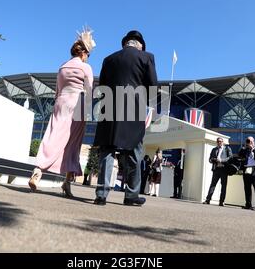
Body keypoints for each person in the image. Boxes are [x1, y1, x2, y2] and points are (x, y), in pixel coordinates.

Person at [93, 30, 158, 206]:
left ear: (125, 43)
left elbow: (102, 86)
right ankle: (131, 195)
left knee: (107, 149)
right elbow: (152, 86)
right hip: (133, 107)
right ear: (140, 44)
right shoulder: (146, 57)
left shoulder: (109, 59)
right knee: (134, 150)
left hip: (109, 107)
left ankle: (101, 194)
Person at [28, 27, 95, 198]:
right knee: (73, 143)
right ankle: (66, 181)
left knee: (53, 134)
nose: (88, 57)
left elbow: (57, 90)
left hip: (61, 101)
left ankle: (38, 171)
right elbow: (89, 90)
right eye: (88, 54)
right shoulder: (85, 67)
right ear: (83, 53)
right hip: (77, 103)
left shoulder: (62, 67)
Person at [203, 138, 233, 206]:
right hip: (216, 169)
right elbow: (210, 159)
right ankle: (208, 200)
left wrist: (222, 160)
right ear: (217, 142)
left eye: (221, 141)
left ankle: (221, 201)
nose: (219, 142)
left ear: (223, 142)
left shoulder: (227, 149)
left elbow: (231, 157)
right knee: (213, 185)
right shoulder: (214, 149)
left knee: (223, 186)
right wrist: (213, 160)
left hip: (224, 169)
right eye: (218, 141)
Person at [238, 136, 255, 211]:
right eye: (247, 141)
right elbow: (239, 155)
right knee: (247, 188)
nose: (248, 142)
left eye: (250, 141)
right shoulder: (246, 149)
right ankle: (248, 204)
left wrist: (253, 148)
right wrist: (244, 147)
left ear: (253, 141)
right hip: (246, 170)